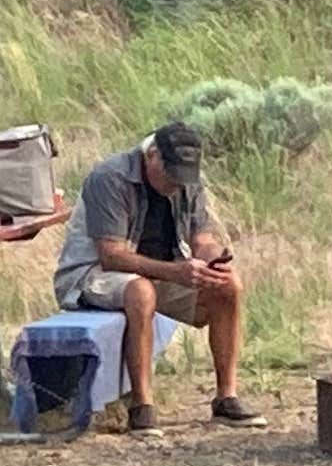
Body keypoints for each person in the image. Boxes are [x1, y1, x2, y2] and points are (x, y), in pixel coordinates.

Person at [52, 118, 251, 431]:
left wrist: (216, 261)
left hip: (159, 271)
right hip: (92, 274)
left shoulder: (188, 181)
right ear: (152, 155)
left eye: (183, 177)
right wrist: (175, 271)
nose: (176, 184)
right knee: (141, 291)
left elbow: (202, 239)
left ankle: (227, 397)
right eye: (170, 175)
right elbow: (112, 255)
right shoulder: (110, 178)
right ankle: (142, 405)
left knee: (228, 287)